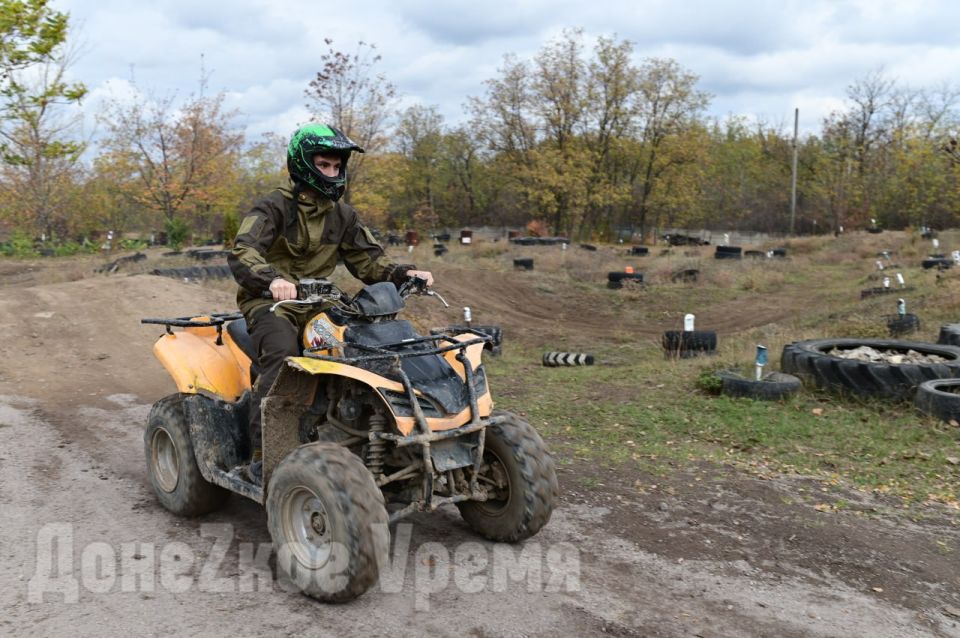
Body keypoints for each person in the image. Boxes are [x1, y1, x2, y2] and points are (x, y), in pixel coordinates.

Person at [228, 123, 433, 483]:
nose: (333, 172)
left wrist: (405, 273)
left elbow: (370, 262)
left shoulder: (343, 215)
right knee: (282, 357)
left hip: (320, 305)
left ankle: (369, 434)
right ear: (304, 164)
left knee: (363, 348)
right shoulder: (273, 207)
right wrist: (272, 280)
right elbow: (243, 250)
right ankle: (265, 458)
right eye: (324, 165)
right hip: (271, 305)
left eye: (337, 167)